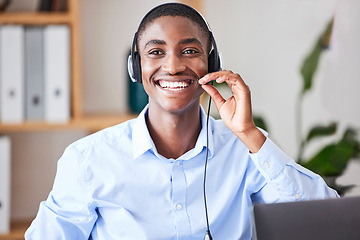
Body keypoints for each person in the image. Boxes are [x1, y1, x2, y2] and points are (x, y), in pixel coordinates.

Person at [25, 3, 338, 239]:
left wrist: (248, 133)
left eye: (189, 51)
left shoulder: (244, 150)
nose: (173, 66)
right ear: (136, 67)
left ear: (212, 64)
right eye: (156, 52)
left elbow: (326, 222)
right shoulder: (88, 160)